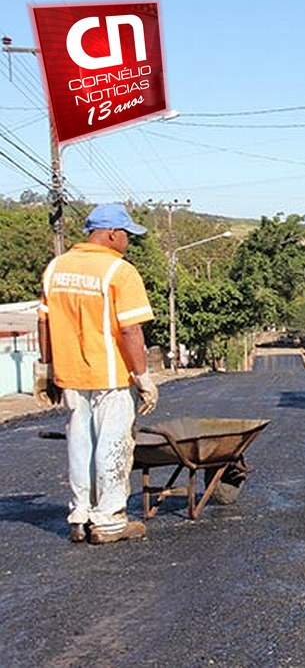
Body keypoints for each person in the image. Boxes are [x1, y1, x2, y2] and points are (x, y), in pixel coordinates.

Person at [35, 203, 158, 545]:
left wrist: (47, 368)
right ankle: (109, 521)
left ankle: (80, 516)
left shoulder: (56, 268)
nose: (128, 242)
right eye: (127, 235)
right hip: (111, 377)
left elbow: (44, 321)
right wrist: (142, 377)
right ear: (112, 234)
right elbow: (131, 330)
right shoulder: (119, 271)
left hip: (70, 376)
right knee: (113, 445)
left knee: (79, 445)